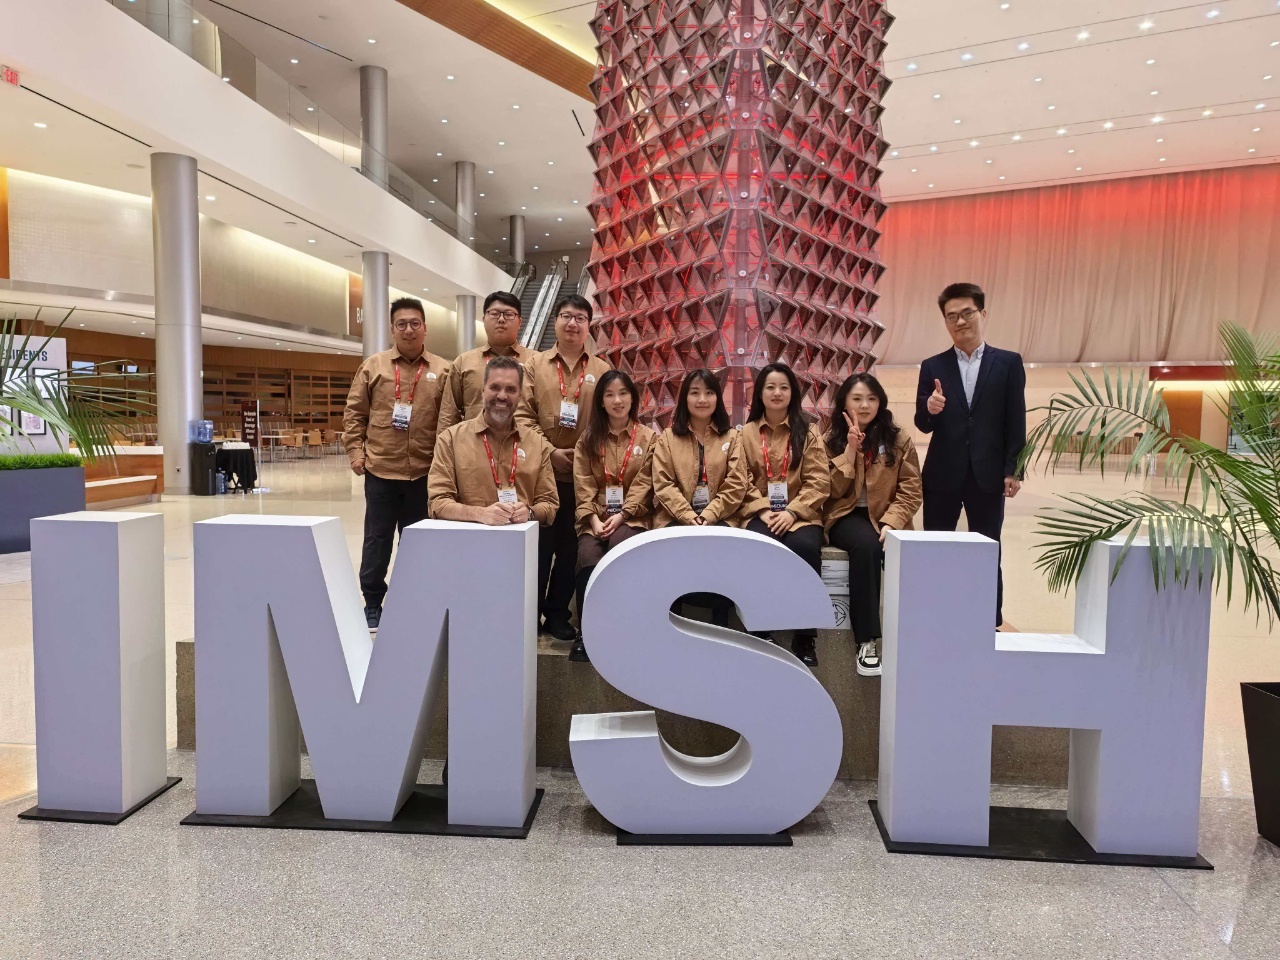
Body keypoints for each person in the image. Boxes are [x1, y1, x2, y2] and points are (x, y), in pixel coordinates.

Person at [915, 282, 1027, 627]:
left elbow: (1015, 419)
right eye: (952, 316)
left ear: (983, 313)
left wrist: (1013, 469)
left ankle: (988, 619)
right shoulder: (932, 366)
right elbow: (922, 424)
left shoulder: (1008, 363)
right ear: (945, 322)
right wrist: (930, 408)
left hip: (988, 474)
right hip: (942, 474)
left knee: (989, 548)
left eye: (967, 313)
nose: (960, 321)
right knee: (936, 547)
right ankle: (934, 613)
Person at [344, 296, 448, 630]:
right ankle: (373, 601)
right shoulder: (373, 367)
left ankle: (412, 599)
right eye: (401, 324)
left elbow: (450, 421)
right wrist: (356, 452)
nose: (408, 329)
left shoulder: (443, 370)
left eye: (415, 323)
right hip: (381, 471)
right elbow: (355, 413)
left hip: (425, 472)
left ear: (425, 328)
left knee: (418, 544)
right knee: (377, 540)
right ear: (392, 329)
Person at [515, 294, 611, 643]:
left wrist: (583, 456)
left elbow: (608, 421)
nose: (573, 323)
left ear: (589, 326)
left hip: (583, 478)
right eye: (566, 316)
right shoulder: (534, 365)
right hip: (540, 474)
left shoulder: (602, 371)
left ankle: (558, 614)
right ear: (555, 321)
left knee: (572, 549)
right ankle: (529, 613)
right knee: (538, 548)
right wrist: (551, 451)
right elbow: (522, 416)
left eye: (580, 318)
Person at [824, 373, 922, 677]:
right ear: (844, 403)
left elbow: (911, 489)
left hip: (886, 515)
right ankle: (866, 642)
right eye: (857, 398)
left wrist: (892, 522)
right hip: (845, 514)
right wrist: (849, 450)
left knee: (906, 553)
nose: (865, 405)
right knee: (867, 546)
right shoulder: (829, 439)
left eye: (871, 398)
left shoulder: (898, 438)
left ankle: (916, 639)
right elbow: (829, 491)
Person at [733, 362, 830, 666]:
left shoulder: (809, 432)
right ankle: (760, 628)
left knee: (805, 547)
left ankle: (805, 635)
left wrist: (792, 512)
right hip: (759, 514)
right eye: (771, 387)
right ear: (760, 393)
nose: (777, 393)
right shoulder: (745, 434)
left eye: (784, 387)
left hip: (800, 515)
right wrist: (762, 509)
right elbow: (739, 480)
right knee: (758, 547)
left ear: (792, 393)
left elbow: (819, 481)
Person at [651, 369, 749, 628]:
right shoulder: (668, 438)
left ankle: (720, 623)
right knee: (671, 548)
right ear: (685, 398)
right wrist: (688, 516)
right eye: (695, 393)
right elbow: (663, 483)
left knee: (723, 547)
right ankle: (673, 621)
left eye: (709, 392)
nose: (702, 399)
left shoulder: (732, 437)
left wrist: (709, 514)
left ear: (718, 398)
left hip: (721, 516)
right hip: (675, 516)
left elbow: (737, 483)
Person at [570, 370, 655, 663]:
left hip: (632, 518)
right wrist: (593, 520)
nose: (617, 400)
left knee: (621, 550)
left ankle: (624, 629)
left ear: (633, 398)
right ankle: (586, 632)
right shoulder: (587, 440)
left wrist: (623, 514)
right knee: (588, 558)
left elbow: (645, 483)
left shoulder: (649, 438)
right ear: (601, 401)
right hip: (594, 517)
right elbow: (583, 483)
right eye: (609, 394)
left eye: (623, 393)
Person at [428, 356, 558, 527]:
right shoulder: (450, 439)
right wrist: (480, 514)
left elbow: (549, 503)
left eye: (511, 389)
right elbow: (438, 502)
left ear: (520, 396)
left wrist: (530, 512)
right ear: (483, 391)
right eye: (495, 387)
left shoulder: (537, 443)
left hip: (520, 540)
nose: (502, 396)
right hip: (467, 539)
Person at [437, 290, 532, 432]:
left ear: (519, 322)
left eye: (509, 314)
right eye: (494, 313)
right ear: (484, 319)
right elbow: (448, 414)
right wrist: (444, 444)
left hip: (522, 444)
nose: (501, 319)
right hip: (472, 443)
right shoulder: (464, 362)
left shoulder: (535, 362)